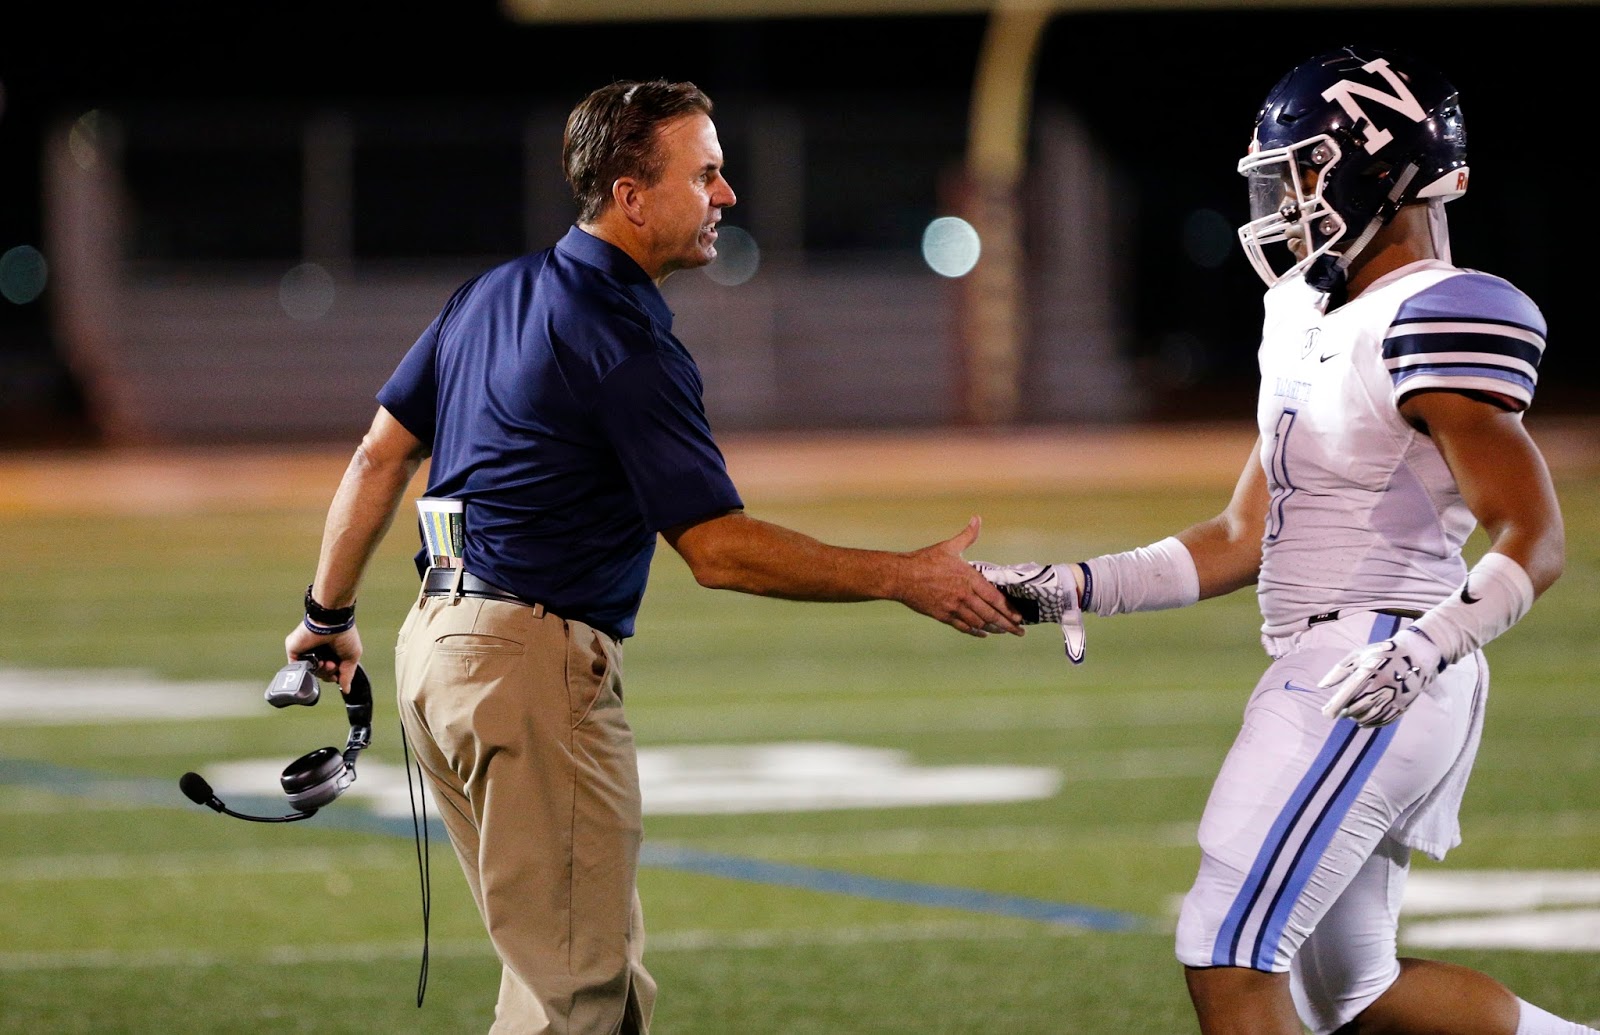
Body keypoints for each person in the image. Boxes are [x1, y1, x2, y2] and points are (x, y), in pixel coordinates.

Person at [282, 78, 1022, 1035]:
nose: (727, 195)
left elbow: (380, 453)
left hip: (436, 651)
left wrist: (326, 616)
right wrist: (905, 576)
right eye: (706, 174)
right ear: (631, 195)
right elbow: (718, 548)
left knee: (596, 984)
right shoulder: (624, 337)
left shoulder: (489, 294)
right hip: (525, 667)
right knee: (574, 1002)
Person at [972, 45, 1596, 1035]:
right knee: (1351, 992)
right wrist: (1069, 585)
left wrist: (1422, 649)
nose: (1290, 196)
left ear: (1375, 166)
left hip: (1381, 659)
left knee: (1224, 950)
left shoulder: (1435, 312)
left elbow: (1535, 535)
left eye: (1307, 167)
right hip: (1338, 652)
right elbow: (1237, 534)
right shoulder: (1306, 313)